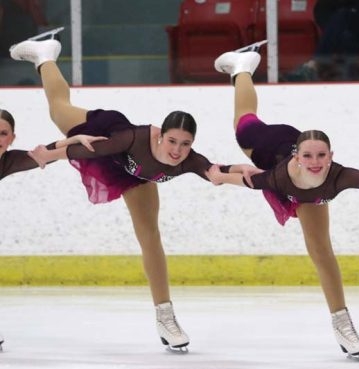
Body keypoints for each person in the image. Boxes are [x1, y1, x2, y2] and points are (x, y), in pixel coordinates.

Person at [10, 34, 259, 352]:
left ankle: (165, 317)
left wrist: (247, 171)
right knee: (59, 110)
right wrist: (47, 153)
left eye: (185, 144)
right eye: (172, 142)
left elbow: (216, 173)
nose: (177, 151)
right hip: (105, 141)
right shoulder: (130, 138)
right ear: (160, 135)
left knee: (150, 237)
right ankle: (45, 56)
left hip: (137, 176)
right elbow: (86, 149)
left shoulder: (189, 160)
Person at [206, 45, 359, 360]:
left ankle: (342, 324)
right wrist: (220, 175)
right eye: (309, 157)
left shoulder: (337, 175)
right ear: (298, 158)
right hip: (269, 146)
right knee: (244, 125)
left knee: (321, 251)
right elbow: (250, 179)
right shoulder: (279, 176)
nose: (315, 163)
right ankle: (242, 68)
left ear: (331, 157)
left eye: (321, 157)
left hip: (302, 164)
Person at [284, 0, 359, 82]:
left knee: (345, 17)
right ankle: (345, 79)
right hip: (352, 32)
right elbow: (321, 9)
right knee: (346, 31)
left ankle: (314, 67)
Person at [2, 108, 105, 180]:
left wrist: (75, 139)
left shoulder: (7, 161)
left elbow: (46, 153)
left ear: (12, 139)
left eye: (3, 134)